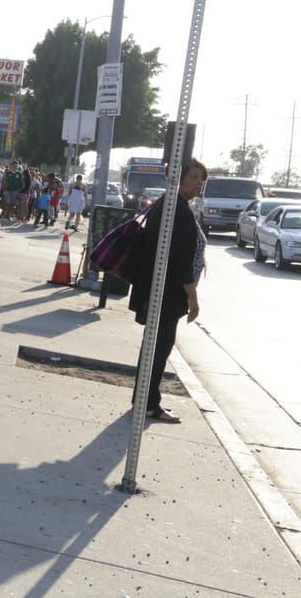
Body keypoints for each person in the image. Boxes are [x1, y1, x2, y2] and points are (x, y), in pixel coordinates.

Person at [129, 160, 207, 423]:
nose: (199, 182)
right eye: (194, 177)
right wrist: (192, 297)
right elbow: (179, 260)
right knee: (158, 348)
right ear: (179, 178)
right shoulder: (177, 209)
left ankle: (144, 402)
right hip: (166, 292)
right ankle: (148, 405)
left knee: (155, 346)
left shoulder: (170, 204)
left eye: (201, 178)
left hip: (159, 289)